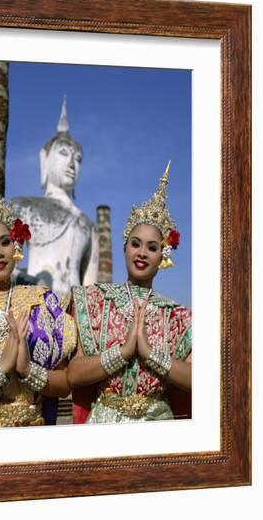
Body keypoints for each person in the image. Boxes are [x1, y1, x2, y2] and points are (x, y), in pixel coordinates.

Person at [0, 149, 76, 429]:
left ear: (16, 246)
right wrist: (0, 371)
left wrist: (26, 370)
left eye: (5, 241)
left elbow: (66, 382)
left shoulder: (43, 303)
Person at [68, 162, 192, 423]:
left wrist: (150, 354)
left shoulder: (179, 316)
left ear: (163, 256)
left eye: (152, 247)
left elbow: (199, 380)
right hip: (105, 423)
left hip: (158, 425)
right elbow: (74, 374)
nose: (142, 253)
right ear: (125, 247)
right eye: (135, 244)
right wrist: (123, 353)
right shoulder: (93, 301)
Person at [10, 98, 99, 297]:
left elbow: (90, 288)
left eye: (77, 159)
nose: (71, 164)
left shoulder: (87, 225)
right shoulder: (23, 208)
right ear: (45, 158)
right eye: (64, 153)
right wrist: (26, 281)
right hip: (32, 304)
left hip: (72, 312)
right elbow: (1, 266)